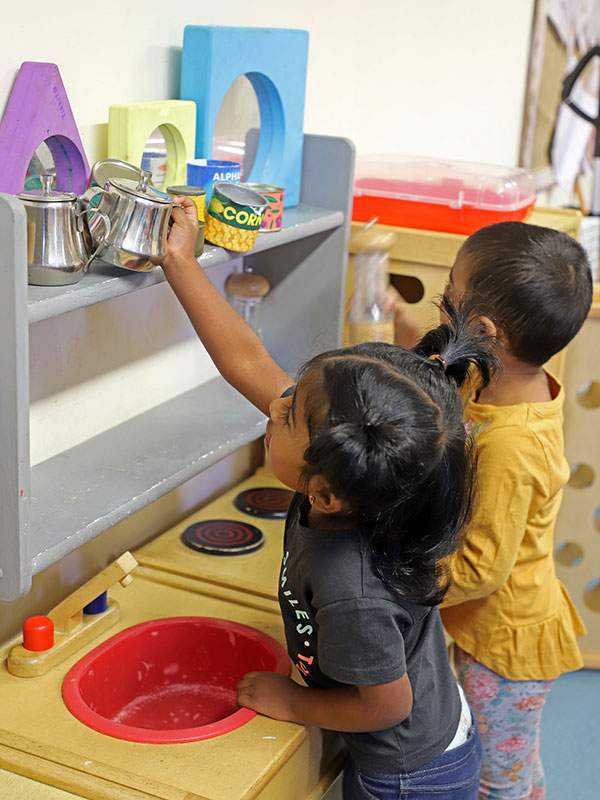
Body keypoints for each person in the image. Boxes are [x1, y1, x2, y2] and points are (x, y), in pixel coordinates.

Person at [160, 199, 497, 800]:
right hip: (428, 742)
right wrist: (180, 262)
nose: (274, 404)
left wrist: (294, 701)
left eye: (287, 414)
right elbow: (247, 359)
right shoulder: (357, 473)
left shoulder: (353, 585)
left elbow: (388, 704)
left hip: (408, 776)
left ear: (325, 493)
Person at [398, 221, 593, 800]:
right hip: (491, 631)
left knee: (494, 780)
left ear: (485, 331)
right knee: (518, 764)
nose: (444, 296)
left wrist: (406, 583)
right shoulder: (501, 379)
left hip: (505, 649)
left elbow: (483, 570)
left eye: (449, 291)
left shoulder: (512, 445)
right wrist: (408, 331)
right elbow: (451, 391)